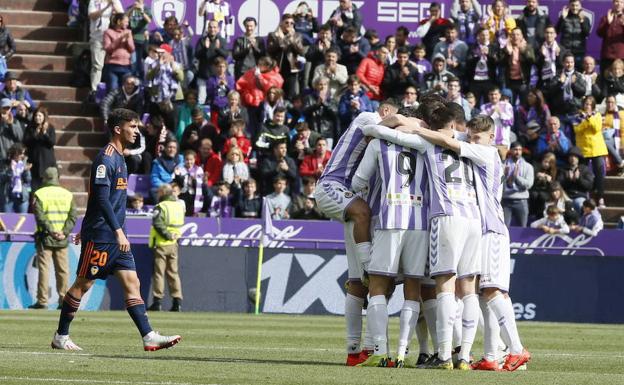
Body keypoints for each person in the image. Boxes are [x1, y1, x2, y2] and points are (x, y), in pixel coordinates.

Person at [401, 113, 531, 371]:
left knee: (494, 292)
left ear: (491, 137)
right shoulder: (477, 148)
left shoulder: (488, 153)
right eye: (471, 138)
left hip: (492, 229)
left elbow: (450, 142)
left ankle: (517, 349)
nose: (473, 142)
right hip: (480, 228)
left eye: (477, 138)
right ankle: (493, 355)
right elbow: (454, 136)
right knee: (483, 295)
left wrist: (418, 131)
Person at [363, 106, 482, 370]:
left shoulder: (425, 142)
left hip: (445, 217)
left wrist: (382, 127)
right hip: (475, 219)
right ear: (455, 123)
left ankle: (443, 355)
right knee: (469, 289)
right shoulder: (471, 145)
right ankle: (466, 354)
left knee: (444, 285)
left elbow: (390, 135)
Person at [51, 108, 181, 351]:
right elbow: (100, 199)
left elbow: (102, 197)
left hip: (116, 234)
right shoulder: (106, 158)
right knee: (83, 284)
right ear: (118, 129)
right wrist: (112, 230)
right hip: (103, 234)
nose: (136, 131)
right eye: (132, 127)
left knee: (133, 283)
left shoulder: (121, 157)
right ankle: (61, 336)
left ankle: (148, 335)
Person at [314, 99, 400, 366]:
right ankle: (367, 268)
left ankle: (358, 351)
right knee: (371, 278)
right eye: (395, 115)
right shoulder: (366, 118)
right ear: (386, 111)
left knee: (357, 285)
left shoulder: (376, 147)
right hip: (333, 187)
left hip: (351, 201)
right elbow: (389, 127)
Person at [29, 167, 77, 309]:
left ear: (45, 178)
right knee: (63, 270)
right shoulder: (67, 194)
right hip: (62, 238)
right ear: (57, 177)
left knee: (44, 269)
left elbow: (39, 216)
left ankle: (42, 301)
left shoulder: (39, 193)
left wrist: (51, 231)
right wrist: (64, 232)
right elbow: (73, 216)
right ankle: (64, 300)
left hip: (45, 237)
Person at [148, 183, 184, 312]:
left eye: (158, 192)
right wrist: (173, 236)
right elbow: (180, 224)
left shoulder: (160, 206)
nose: (157, 194)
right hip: (174, 243)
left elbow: (157, 224)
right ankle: (177, 302)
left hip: (162, 243)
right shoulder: (179, 206)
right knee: (173, 273)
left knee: (159, 273)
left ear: (163, 193)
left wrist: (167, 235)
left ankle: (157, 302)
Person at [573, 96, 608, 207]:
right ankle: (584, 197)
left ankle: (601, 198)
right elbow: (577, 130)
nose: (587, 106)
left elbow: (597, 128)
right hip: (583, 150)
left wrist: (589, 118)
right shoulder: (577, 115)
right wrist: (585, 121)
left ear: (592, 106)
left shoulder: (597, 115)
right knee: (583, 174)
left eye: (589, 104)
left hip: (596, 148)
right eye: (586, 104)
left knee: (599, 174)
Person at [88, 0, 124, 93]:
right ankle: (95, 90)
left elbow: (122, 18)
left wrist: (114, 7)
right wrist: (106, 7)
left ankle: (113, 91)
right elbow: (92, 16)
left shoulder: (115, 1)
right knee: (97, 66)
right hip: (98, 37)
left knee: (114, 65)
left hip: (113, 39)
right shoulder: (94, 1)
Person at [267, 14, 305, 100]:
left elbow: (301, 51)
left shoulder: (297, 36)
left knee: (290, 95)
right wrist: (281, 39)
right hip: (277, 68)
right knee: (277, 94)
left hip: (291, 69)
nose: (289, 25)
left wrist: (292, 40)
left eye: (292, 23)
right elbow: (270, 50)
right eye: (287, 22)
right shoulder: (273, 35)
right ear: (281, 23)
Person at [195, 20, 229, 105]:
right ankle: (200, 118)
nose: (212, 29)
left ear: (218, 29)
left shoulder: (222, 40)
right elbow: (197, 55)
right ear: (207, 28)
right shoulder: (202, 40)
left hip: (217, 77)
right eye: (210, 27)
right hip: (204, 75)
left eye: (214, 27)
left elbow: (226, 55)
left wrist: (218, 49)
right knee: (201, 101)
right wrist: (205, 48)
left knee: (218, 99)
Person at [23, 107, 57, 192]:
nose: (37, 117)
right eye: (36, 115)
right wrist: (35, 134)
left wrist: (44, 133)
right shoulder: (30, 128)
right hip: (34, 162)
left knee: (47, 189)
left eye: (40, 115)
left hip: (47, 162)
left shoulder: (50, 128)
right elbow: (26, 142)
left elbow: (52, 142)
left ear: (44, 117)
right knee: (35, 189)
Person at [502, 142, 534, 227]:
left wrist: (516, 177)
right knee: (504, 228)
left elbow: (529, 184)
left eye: (520, 150)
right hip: (506, 200)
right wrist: (504, 176)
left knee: (523, 227)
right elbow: (498, 184)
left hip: (521, 200)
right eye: (515, 149)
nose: (518, 152)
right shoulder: (503, 165)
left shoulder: (528, 166)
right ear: (511, 150)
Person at [103, 12, 135, 91]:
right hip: (113, 65)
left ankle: (122, 103)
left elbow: (132, 49)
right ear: (119, 21)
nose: (127, 24)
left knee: (125, 90)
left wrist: (127, 40)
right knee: (113, 89)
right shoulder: (108, 32)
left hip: (126, 66)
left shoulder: (128, 32)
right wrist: (120, 39)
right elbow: (108, 48)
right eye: (126, 21)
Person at [303, 77, 339, 147]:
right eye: (320, 84)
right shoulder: (309, 98)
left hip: (327, 133)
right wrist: (317, 105)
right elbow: (305, 112)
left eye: (325, 85)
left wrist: (324, 103)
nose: (322, 87)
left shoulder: (332, 99)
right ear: (316, 86)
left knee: (327, 155)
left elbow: (335, 114)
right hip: (313, 132)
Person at [558, 146, 594, 214]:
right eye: (571, 157)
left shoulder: (584, 169)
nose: (573, 159)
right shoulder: (563, 169)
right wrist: (568, 180)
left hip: (580, 196)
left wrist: (579, 179)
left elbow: (589, 186)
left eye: (575, 157)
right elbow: (559, 185)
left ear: (578, 158)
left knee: (579, 204)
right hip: (566, 196)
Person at [480, 87, 514, 158]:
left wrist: (500, 113)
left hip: (502, 143)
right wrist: (490, 114)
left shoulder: (507, 105)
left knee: (502, 165)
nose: (493, 96)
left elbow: (510, 122)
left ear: (500, 95)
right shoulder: (484, 107)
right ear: (488, 95)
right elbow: (481, 124)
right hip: (488, 143)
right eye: (491, 94)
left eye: (495, 94)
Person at [556, 0, 590, 67]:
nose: (574, 8)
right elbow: (556, 31)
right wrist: (562, 18)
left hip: (579, 51)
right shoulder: (564, 17)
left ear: (580, 6)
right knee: (565, 71)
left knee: (578, 72)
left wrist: (582, 21)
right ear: (569, 6)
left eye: (577, 5)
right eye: (572, 5)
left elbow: (586, 33)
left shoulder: (585, 18)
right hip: (565, 50)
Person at [150, 138, 184, 203]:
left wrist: (178, 176)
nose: (172, 149)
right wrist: (165, 186)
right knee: (153, 191)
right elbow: (154, 178)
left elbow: (184, 176)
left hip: (177, 186)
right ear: (165, 148)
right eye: (169, 147)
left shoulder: (181, 160)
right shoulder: (158, 162)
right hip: (164, 187)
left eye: (174, 147)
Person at [174, 150, 205, 217]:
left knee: (191, 212)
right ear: (184, 160)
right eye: (187, 159)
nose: (189, 162)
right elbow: (177, 183)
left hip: (193, 194)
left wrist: (194, 180)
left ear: (194, 159)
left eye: (191, 159)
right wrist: (178, 176)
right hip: (182, 194)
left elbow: (200, 184)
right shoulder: (180, 169)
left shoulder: (198, 169)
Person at [2, 143, 31, 213]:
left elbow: (28, 180)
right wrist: (10, 171)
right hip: (8, 196)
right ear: (15, 153)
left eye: (23, 154)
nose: (22, 156)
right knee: (7, 220)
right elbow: (1, 179)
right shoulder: (4, 163)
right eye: (21, 153)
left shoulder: (23, 164)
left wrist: (26, 171)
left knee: (23, 219)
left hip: (22, 196)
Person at [125, 0, 151, 79]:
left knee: (140, 62)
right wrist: (132, 8)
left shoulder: (146, 8)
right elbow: (125, 18)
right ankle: (133, 80)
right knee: (133, 62)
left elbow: (149, 20)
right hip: (131, 38)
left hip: (142, 38)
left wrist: (141, 11)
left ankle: (140, 80)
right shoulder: (130, 8)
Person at [596, 0, 624, 72]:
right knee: (606, 80)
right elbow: (599, 34)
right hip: (607, 56)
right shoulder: (605, 18)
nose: (619, 4)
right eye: (617, 2)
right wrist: (608, 23)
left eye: (621, 2)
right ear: (613, 3)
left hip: (621, 56)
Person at [602, 95, 624, 174]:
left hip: (618, 138)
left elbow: (622, 130)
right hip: (607, 137)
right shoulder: (603, 114)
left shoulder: (621, 114)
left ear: (615, 103)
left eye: (612, 102)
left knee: (605, 142)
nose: (610, 104)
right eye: (608, 102)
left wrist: (621, 144)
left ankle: (620, 162)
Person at [0, 14, 16, 80]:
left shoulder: (6, 32)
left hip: (1, 60)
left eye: (0, 21)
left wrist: (4, 57)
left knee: (2, 78)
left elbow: (13, 47)